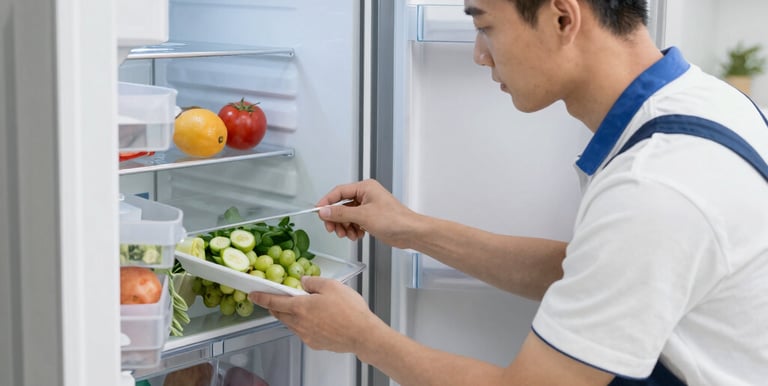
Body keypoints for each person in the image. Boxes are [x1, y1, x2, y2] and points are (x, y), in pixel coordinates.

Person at [248, 0, 768, 384]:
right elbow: (592, 271)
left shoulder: (656, 187)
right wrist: (411, 229)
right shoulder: (703, 99)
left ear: (563, 18)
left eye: (485, 26)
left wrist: (362, 337)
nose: (478, 54)